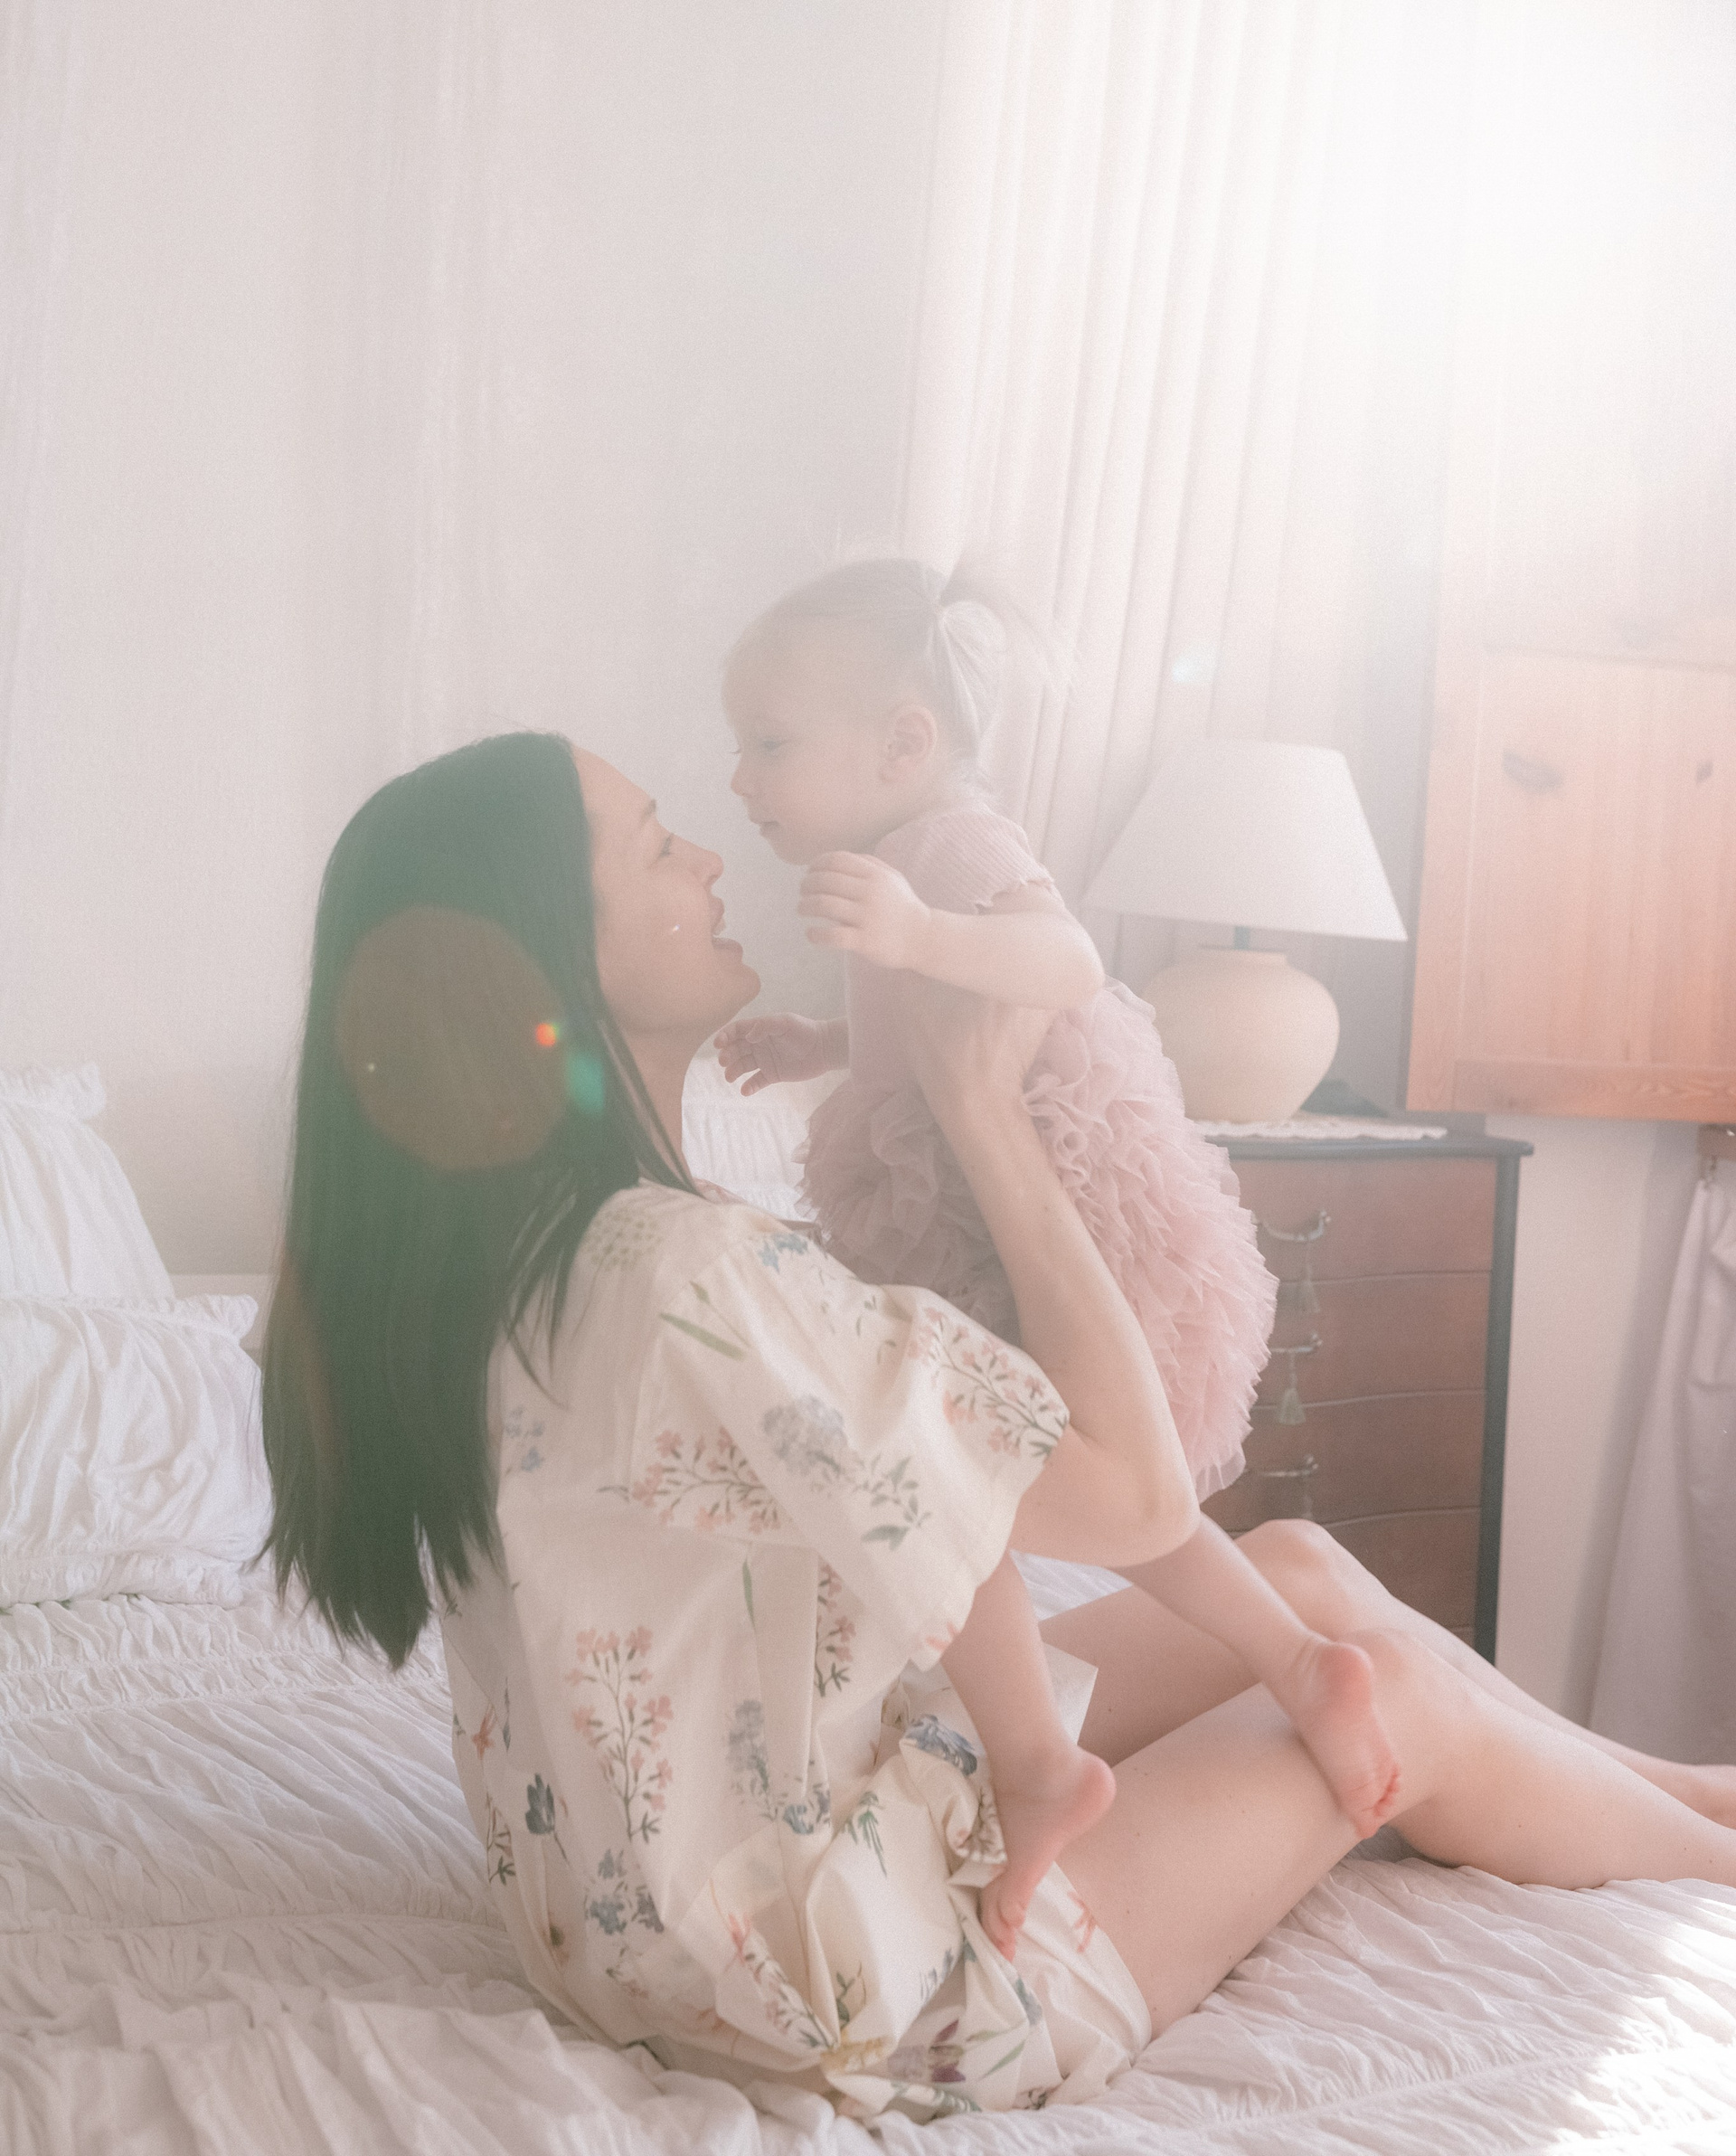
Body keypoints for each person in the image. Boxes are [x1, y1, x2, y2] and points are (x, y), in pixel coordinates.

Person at [262, 731, 1736, 2125]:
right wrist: (983, 1105)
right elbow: (1140, 1490)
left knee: (1293, 1571)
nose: (708, 857)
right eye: (655, 845)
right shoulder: (688, 1275)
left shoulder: (518, 1255)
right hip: (843, 1992)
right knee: (1396, 1694)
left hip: (657, 1919)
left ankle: (1688, 1795)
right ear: (552, 957)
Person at [717, 559, 1395, 1944]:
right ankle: (1297, 1659)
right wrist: (827, 1043)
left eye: (771, 743)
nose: (741, 779)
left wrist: (918, 928)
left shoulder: (947, 848)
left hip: (1017, 1217)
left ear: (903, 743)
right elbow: (925, 1021)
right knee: (1083, 1490)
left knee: (944, 1489)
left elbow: (1062, 960)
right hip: (963, 1213)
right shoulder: (905, 863)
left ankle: (1038, 1767)